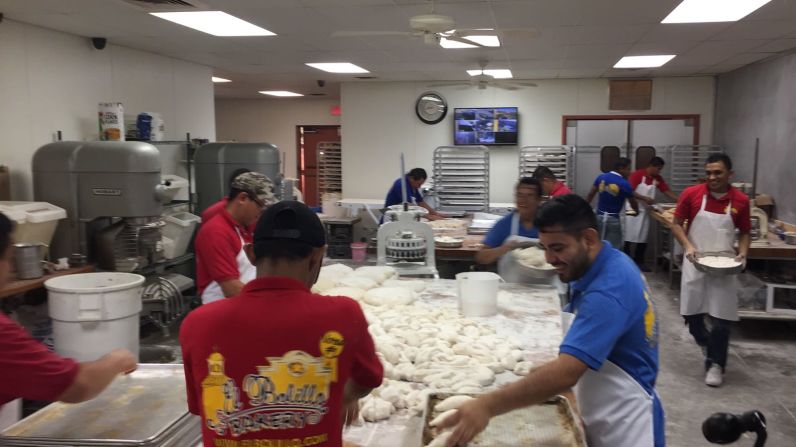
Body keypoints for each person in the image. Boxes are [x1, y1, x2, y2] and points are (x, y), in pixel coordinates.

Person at [439, 194, 664, 447]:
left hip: (626, 425)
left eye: (558, 248)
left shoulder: (609, 291)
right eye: (544, 247)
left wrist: (487, 405)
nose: (549, 258)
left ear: (588, 239)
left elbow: (567, 373)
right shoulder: (603, 264)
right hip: (604, 405)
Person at [180, 201, 383, 447]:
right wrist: (342, 397)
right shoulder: (343, 314)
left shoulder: (198, 324)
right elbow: (368, 378)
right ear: (318, 255)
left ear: (250, 254)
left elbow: (203, 408)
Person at [0, 213, 136, 409]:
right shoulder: (3, 335)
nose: (11, 270)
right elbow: (77, 386)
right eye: (9, 259)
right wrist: (116, 361)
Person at [669, 154, 750, 388]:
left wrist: (743, 252)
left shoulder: (741, 200)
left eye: (718, 173)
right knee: (691, 314)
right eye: (709, 172)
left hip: (724, 264)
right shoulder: (691, 194)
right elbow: (676, 223)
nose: (712, 177)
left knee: (721, 318)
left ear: (730, 174)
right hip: (696, 260)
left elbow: (744, 231)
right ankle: (706, 343)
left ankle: (716, 364)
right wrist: (689, 246)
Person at [194, 172, 277, 304]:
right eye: (260, 206)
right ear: (242, 198)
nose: (261, 213)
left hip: (246, 303)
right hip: (221, 311)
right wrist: (271, 302)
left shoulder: (244, 225)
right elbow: (232, 289)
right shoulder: (216, 232)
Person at [475, 178, 541, 283]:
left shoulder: (550, 223)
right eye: (519, 195)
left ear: (539, 200)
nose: (523, 200)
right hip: (513, 288)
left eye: (529, 195)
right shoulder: (505, 224)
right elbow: (481, 257)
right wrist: (504, 248)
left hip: (546, 287)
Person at [624, 157, 679, 271]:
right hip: (632, 208)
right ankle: (625, 261)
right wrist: (644, 198)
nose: (659, 172)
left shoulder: (657, 178)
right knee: (628, 234)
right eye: (658, 169)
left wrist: (680, 201)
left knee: (643, 236)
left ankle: (639, 261)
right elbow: (629, 191)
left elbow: (666, 191)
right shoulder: (638, 175)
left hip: (645, 210)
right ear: (651, 166)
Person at [585, 157, 643, 248]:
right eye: (628, 169)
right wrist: (636, 211)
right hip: (613, 220)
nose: (630, 172)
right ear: (621, 168)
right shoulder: (624, 183)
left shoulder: (601, 177)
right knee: (613, 248)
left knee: (596, 245)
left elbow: (591, 194)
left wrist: (585, 207)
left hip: (599, 217)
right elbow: (633, 202)